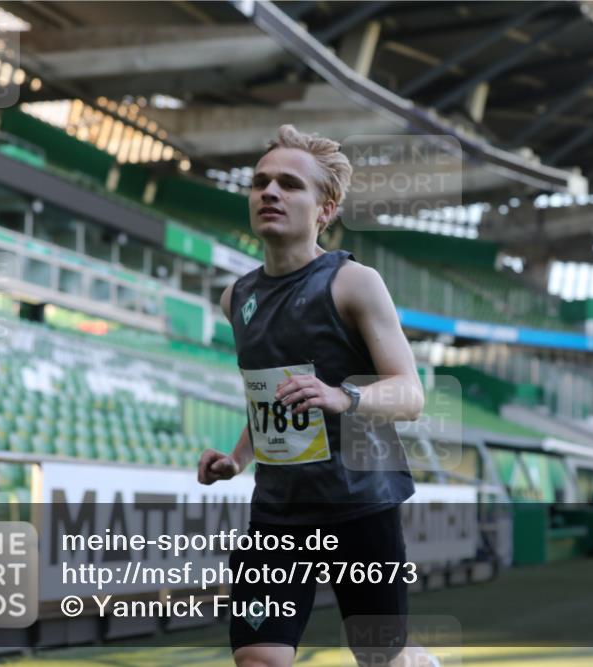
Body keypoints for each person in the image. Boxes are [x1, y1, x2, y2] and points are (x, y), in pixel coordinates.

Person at [197, 125, 439, 667]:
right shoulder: (236, 297)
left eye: (289, 184)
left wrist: (343, 397)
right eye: (260, 182)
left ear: (325, 209)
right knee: (258, 659)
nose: (270, 192)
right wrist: (237, 459)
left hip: (360, 502)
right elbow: (271, 398)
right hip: (279, 511)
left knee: (379, 658)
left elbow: (410, 394)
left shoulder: (354, 282)